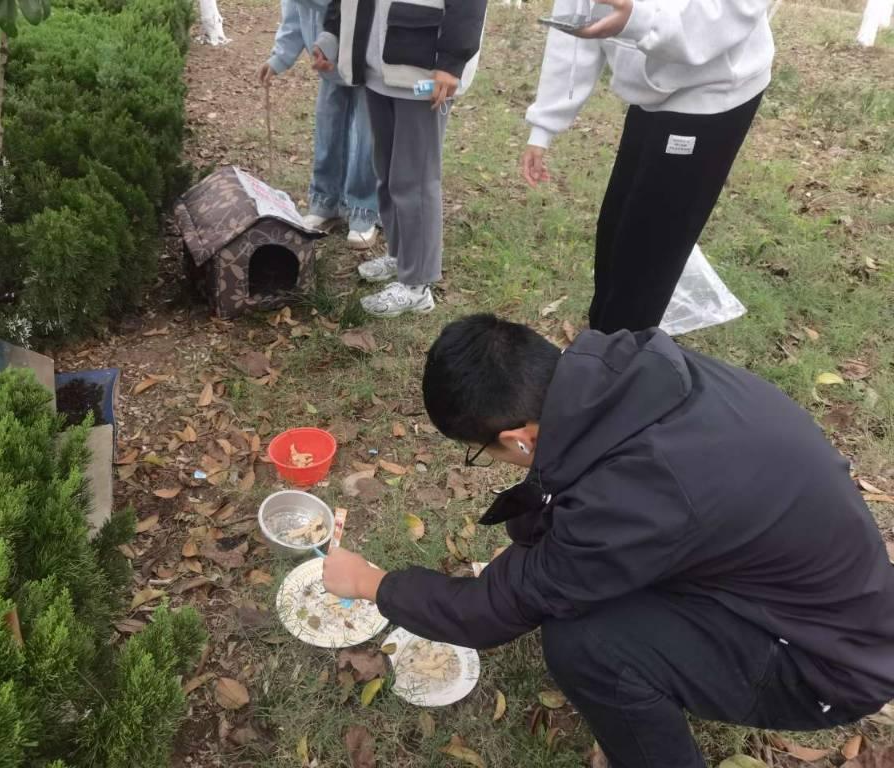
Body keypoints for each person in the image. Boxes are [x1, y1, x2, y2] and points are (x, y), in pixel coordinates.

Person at [323, 313, 894, 767]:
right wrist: (535, 553)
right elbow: (580, 496)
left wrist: (372, 583)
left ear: (519, 439)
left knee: (586, 644)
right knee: (576, 592)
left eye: (484, 451)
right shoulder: (634, 372)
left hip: (826, 663)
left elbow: (488, 614)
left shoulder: (638, 495)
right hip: (813, 595)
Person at [521, 0, 774, 334]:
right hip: (649, 87)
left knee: (650, 251)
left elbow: (728, 11)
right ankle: (603, 343)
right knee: (616, 229)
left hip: (712, 87)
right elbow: (576, 21)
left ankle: (620, 363)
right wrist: (544, 125)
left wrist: (641, 20)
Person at [312, 0, 487, 317]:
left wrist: (451, 61)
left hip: (425, 69)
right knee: (389, 173)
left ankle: (417, 285)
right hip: (375, 63)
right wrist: (332, 36)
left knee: (415, 180)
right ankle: (401, 256)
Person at [259, 0, 380, 249]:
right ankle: (326, 201)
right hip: (328, 67)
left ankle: (364, 208)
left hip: (364, 60)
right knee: (328, 132)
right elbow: (293, 18)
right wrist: (279, 58)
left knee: (367, 137)